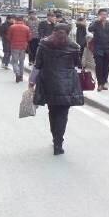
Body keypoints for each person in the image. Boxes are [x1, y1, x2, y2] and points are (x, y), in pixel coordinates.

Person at [29, 24, 84, 156]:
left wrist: (32, 82)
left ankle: (55, 138)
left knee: (52, 111)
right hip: (67, 83)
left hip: (48, 81)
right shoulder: (74, 47)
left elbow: (38, 64)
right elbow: (78, 64)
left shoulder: (43, 44)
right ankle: (58, 143)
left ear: (53, 31)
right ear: (69, 32)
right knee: (63, 114)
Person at [89, 8, 109, 91]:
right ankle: (99, 84)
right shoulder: (96, 23)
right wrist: (97, 21)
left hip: (108, 49)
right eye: (102, 14)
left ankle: (103, 83)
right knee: (99, 66)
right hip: (98, 49)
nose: (104, 16)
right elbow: (90, 29)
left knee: (106, 67)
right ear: (99, 15)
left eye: (105, 14)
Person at [8, 16, 31, 83]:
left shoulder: (12, 27)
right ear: (22, 20)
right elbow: (29, 38)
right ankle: (21, 76)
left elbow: (9, 37)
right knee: (21, 62)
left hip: (14, 46)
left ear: (16, 20)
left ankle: (17, 73)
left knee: (14, 61)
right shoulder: (26, 28)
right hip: (23, 47)